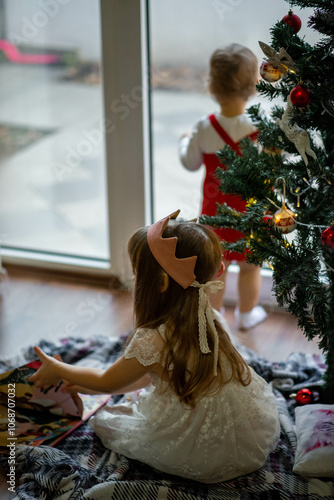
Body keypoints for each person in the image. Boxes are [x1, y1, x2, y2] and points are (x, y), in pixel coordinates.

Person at [29, 210, 280, 484]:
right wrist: (88, 385)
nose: (135, 281)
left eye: (138, 274)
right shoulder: (209, 317)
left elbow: (107, 381)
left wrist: (59, 368)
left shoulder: (153, 339)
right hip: (246, 434)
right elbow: (154, 375)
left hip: (201, 449)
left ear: (160, 283)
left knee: (105, 423)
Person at [178, 43, 267, 329]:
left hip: (215, 214)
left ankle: (215, 321)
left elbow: (190, 163)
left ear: (212, 87)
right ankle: (246, 315)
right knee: (251, 267)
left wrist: (184, 140)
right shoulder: (259, 127)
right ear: (254, 87)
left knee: (217, 269)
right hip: (252, 213)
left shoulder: (204, 127)